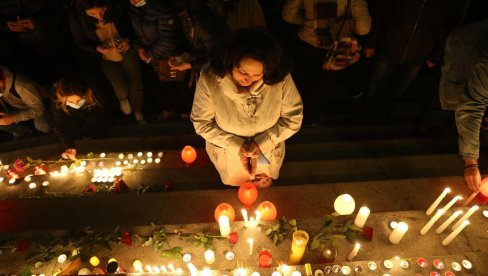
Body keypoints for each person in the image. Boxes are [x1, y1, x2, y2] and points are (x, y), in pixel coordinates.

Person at [191, 28, 303, 187]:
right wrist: (237, 145)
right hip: (228, 154)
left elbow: (293, 118)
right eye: (242, 71)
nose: (248, 79)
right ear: (230, 61)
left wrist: (261, 143)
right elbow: (202, 123)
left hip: (268, 151)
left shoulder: (278, 77)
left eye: (257, 75)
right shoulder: (211, 79)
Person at [363, 0, 469, 116]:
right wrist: (371, 43)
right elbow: (381, 14)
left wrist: (436, 55)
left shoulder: (445, 3)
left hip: (419, 52)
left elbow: (450, 29)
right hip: (389, 45)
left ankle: (384, 109)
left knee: (399, 86)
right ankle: (366, 110)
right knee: (375, 83)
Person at [282, 0, 371, 126]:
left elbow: (288, 16)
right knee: (322, 88)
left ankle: (291, 117)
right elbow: (363, 29)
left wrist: (307, 22)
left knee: (301, 82)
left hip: (306, 44)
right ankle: (309, 119)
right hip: (335, 48)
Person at [69, 0, 146, 124]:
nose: (99, 16)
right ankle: (123, 99)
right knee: (121, 88)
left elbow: (131, 26)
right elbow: (80, 42)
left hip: (127, 50)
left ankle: (138, 111)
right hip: (105, 57)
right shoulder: (78, 19)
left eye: (102, 11)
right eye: (92, 13)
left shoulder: (116, 8)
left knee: (136, 84)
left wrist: (127, 40)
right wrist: (97, 48)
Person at [51, 78, 106, 160]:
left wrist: (86, 130)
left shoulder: (94, 94)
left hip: (91, 115)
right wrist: (69, 146)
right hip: (72, 116)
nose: (76, 105)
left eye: (79, 101)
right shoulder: (57, 100)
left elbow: (98, 113)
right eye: (71, 102)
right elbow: (60, 123)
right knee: (72, 132)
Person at [0, 65, 51, 139]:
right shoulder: (2, 85)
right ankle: (21, 131)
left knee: (44, 126)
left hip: (41, 105)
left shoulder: (21, 85)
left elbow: (39, 108)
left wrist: (13, 118)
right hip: (19, 105)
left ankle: (56, 123)